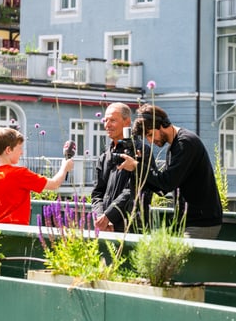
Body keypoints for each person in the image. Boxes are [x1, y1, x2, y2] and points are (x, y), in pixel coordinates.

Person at [117, 104, 223, 239]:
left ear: (163, 124)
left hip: (201, 223)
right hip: (187, 222)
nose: (150, 141)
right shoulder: (174, 147)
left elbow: (166, 183)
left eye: (150, 134)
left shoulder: (185, 143)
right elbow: (162, 189)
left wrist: (137, 167)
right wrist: (140, 164)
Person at [0, 127, 73, 225]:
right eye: (20, 148)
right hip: (17, 236)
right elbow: (54, 184)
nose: (21, 152)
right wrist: (64, 168)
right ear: (8, 150)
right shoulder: (20, 174)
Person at [91, 102, 156, 233]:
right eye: (106, 120)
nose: (107, 125)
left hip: (131, 228)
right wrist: (100, 218)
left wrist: (109, 216)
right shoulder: (105, 156)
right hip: (105, 228)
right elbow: (97, 192)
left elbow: (135, 190)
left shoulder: (141, 151)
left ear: (127, 122)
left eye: (113, 120)